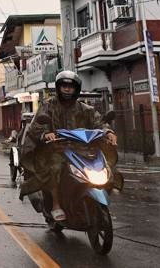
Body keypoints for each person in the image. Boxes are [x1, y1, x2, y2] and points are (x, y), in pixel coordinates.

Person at [19, 70, 117, 222]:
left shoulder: (85, 109)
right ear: (58, 87)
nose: (67, 89)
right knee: (55, 167)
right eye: (64, 86)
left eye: (70, 87)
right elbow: (37, 124)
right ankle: (56, 205)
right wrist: (46, 133)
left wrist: (108, 132)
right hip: (56, 149)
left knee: (104, 165)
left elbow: (99, 122)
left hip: (82, 149)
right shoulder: (48, 106)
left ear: (76, 89)